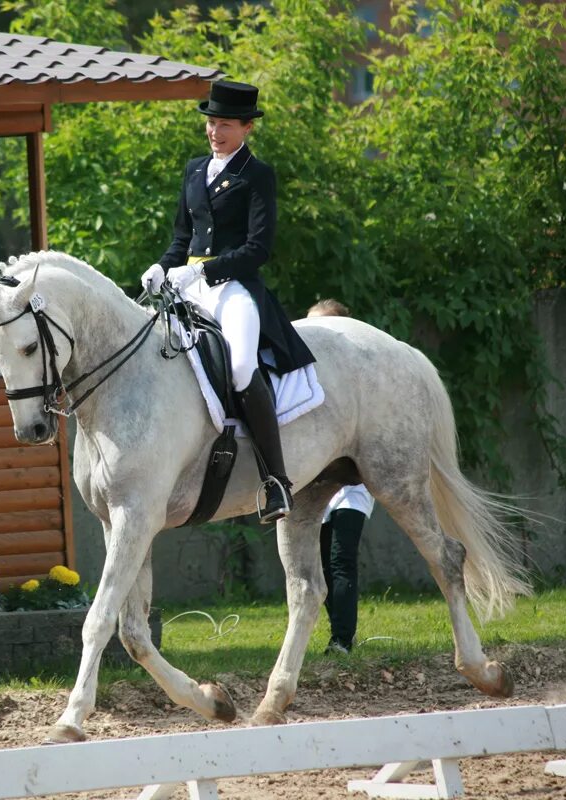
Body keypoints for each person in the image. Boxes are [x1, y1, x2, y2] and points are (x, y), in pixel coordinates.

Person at [141, 79, 314, 524]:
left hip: (232, 287)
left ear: (245, 129)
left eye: (224, 125)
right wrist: (162, 265)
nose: (214, 132)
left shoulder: (257, 175)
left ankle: (276, 482)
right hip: (187, 283)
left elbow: (259, 248)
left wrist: (203, 270)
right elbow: (183, 236)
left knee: (240, 367)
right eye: (211, 123)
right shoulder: (195, 169)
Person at [308, 298, 374, 654]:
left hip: (350, 486)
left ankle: (342, 640)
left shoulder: (356, 375)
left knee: (340, 559)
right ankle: (337, 634)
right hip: (317, 486)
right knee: (319, 563)